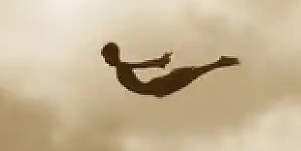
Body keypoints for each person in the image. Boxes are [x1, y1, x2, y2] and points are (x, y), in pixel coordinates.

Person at [101, 42, 239, 98]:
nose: (106, 61)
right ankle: (220, 62)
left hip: (157, 87)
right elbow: (142, 66)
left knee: (191, 73)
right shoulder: (121, 68)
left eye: (106, 57)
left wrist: (159, 62)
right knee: (191, 73)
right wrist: (159, 62)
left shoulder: (122, 67)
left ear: (113, 55)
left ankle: (221, 62)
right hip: (157, 88)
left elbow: (142, 65)